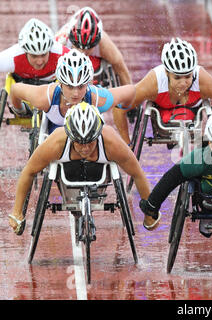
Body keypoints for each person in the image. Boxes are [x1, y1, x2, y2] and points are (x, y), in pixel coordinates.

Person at [8, 102, 152, 235]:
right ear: (70, 136)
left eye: (90, 142)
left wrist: (149, 213)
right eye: (79, 143)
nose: (85, 148)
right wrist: (17, 212)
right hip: (67, 174)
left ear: (98, 135)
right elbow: (29, 171)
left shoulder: (111, 142)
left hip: (98, 174)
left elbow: (137, 173)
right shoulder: (56, 142)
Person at [113, 37, 212, 145]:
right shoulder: (154, 82)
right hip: (162, 115)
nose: (183, 83)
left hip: (191, 115)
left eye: (188, 76)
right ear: (167, 73)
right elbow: (118, 109)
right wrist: (127, 144)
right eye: (177, 77)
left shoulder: (202, 79)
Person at [9, 49, 135, 133]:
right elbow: (15, 89)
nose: (75, 94)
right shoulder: (43, 97)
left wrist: (125, 109)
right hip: (55, 131)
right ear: (60, 83)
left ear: (89, 84)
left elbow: (131, 91)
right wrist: (20, 110)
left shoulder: (98, 99)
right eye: (70, 86)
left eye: (81, 87)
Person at [55, 6, 132, 86]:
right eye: (78, 47)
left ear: (97, 42)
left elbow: (122, 72)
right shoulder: (61, 41)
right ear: (71, 40)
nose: (82, 52)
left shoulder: (104, 45)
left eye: (88, 48)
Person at [0, 18, 70, 85]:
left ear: (50, 50)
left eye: (43, 55)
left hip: (51, 89)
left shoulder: (62, 55)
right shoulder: (13, 57)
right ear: (25, 52)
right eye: (34, 56)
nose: (39, 61)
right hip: (19, 90)